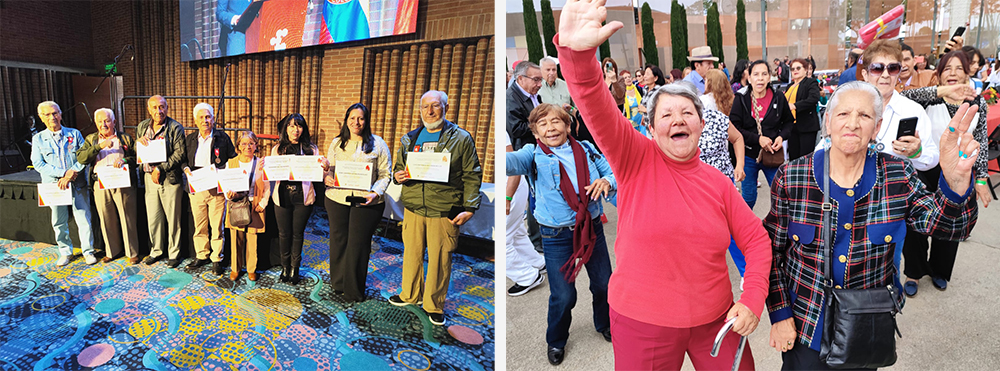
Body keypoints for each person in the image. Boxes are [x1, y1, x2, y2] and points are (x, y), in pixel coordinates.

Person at [554, 2, 774, 369]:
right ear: (652, 130)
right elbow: (594, 102)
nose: (678, 119)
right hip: (643, 323)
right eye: (667, 114)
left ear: (702, 126)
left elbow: (755, 240)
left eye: (687, 112)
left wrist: (752, 297)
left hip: (717, 319)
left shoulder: (717, 182)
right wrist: (578, 55)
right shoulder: (634, 157)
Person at [764, 81, 980, 369]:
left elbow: (949, 227)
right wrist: (780, 314)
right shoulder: (792, 177)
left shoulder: (898, 174)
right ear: (827, 122)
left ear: (876, 127)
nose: (852, 124)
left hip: (866, 327)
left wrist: (955, 183)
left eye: (864, 116)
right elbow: (772, 253)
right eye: (843, 115)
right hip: (806, 325)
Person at [507, 102, 616, 365]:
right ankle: (556, 340)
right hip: (555, 234)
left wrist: (606, 182)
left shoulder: (587, 150)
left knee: (604, 284)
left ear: (568, 125)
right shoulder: (532, 155)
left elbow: (612, 173)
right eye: (542, 124)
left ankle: (605, 323)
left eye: (556, 121)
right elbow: (508, 162)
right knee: (564, 295)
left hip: (591, 227)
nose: (550, 128)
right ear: (535, 132)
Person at [897, 50, 990, 296]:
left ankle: (940, 270)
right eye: (947, 68)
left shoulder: (978, 103)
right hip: (925, 168)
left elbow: (981, 142)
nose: (953, 73)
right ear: (938, 74)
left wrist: (981, 178)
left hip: (958, 172)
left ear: (969, 71)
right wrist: (942, 92)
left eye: (959, 68)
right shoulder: (929, 98)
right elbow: (905, 94)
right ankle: (914, 272)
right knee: (916, 225)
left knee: (950, 222)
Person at [388, 90, 482, 327]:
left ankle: (433, 304)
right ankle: (409, 295)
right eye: (425, 107)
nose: (430, 112)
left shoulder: (460, 138)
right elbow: (399, 168)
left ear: (446, 108)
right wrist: (397, 176)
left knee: (440, 258)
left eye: (435, 106)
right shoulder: (409, 138)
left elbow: (472, 174)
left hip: (443, 208)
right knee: (411, 253)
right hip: (413, 207)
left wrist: (470, 206)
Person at [323, 103, 392, 302]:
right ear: (346, 120)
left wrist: (375, 192)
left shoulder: (378, 144)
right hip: (337, 199)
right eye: (352, 118)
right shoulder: (337, 143)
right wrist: (327, 176)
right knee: (338, 242)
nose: (356, 122)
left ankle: (353, 289)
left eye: (360, 118)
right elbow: (329, 170)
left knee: (358, 245)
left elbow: (386, 174)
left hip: (366, 202)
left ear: (366, 120)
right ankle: (338, 283)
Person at [32, 101, 95, 266]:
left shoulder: (74, 134)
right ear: (41, 118)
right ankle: (65, 252)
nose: (52, 117)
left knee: (84, 219)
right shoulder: (38, 139)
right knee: (59, 221)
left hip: (77, 183)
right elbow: (39, 164)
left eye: (55, 113)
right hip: (54, 187)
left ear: (60, 114)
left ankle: (88, 251)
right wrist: (62, 174)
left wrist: (71, 173)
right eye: (47, 114)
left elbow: (84, 157)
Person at [76, 108, 139, 265]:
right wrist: (100, 146)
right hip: (100, 184)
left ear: (114, 122)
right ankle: (112, 251)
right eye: (100, 121)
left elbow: (137, 157)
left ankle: (132, 252)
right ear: (96, 123)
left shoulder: (124, 138)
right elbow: (82, 158)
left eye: (107, 120)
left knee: (127, 218)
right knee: (106, 218)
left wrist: (125, 161)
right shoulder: (91, 139)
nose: (104, 124)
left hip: (123, 183)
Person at [731, 60, 795, 209]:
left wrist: (781, 137)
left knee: (781, 195)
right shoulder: (741, 98)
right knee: (749, 197)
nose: (760, 78)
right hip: (748, 154)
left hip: (772, 154)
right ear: (749, 77)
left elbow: (788, 122)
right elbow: (735, 127)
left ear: (769, 77)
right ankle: (743, 230)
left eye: (764, 74)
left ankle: (779, 228)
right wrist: (757, 138)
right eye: (756, 74)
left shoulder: (778, 97)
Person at [182, 103, 237, 276]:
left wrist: (225, 174)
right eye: (201, 117)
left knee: (217, 226)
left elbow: (233, 159)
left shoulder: (223, 137)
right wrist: (185, 169)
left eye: (208, 117)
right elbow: (183, 160)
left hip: (216, 189)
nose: (205, 120)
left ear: (213, 119)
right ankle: (201, 255)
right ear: (195, 120)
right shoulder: (190, 139)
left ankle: (216, 258)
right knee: (200, 225)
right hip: (196, 188)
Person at [270, 113, 322, 284]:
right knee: (284, 233)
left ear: (303, 129)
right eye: (291, 125)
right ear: (286, 128)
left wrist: (324, 168)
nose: (295, 129)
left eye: (298, 125)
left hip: (303, 197)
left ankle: (295, 268)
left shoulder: (311, 149)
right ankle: (285, 267)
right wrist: (266, 168)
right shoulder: (277, 149)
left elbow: (317, 174)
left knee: (298, 234)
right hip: (283, 196)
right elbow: (272, 173)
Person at [137, 95, 187, 268]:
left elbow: (180, 154)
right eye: (155, 108)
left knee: (173, 219)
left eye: (162, 107)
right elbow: (140, 153)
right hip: (149, 180)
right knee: (154, 218)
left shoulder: (175, 127)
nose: (159, 111)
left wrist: (161, 168)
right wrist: (139, 144)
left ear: (167, 108)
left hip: (170, 179)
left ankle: (174, 253)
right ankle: (156, 251)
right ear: (149, 110)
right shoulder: (142, 126)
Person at [505, 131, 546, 297]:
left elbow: (513, 165)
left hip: (510, 187)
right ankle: (537, 263)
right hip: (515, 186)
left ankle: (527, 277)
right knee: (517, 233)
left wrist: (507, 197)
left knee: (503, 241)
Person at [224, 130, 269, 281]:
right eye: (244, 143)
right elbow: (225, 184)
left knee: (252, 238)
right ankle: (236, 268)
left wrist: (263, 202)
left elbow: (268, 185)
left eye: (251, 143)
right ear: (238, 146)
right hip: (237, 203)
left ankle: (251, 269)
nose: (247, 146)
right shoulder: (231, 163)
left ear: (256, 145)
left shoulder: (261, 163)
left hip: (254, 203)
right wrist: (228, 194)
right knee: (236, 237)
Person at [785, 58, 822, 161]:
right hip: (792, 127)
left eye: (798, 68)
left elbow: (814, 98)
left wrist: (795, 105)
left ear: (805, 70)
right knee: (793, 158)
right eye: (792, 69)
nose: (795, 71)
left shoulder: (810, 82)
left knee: (805, 159)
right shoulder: (789, 86)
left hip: (806, 126)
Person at [507, 61, 544, 150]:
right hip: (525, 151)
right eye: (535, 79)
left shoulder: (534, 94)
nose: (540, 84)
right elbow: (515, 129)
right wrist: (542, 123)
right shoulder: (509, 99)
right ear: (520, 79)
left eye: (541, 79)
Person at [623, 70, 645, 134]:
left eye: (629, 77)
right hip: (631, 123)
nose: (628, 79)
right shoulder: (622, 93)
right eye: (625, 78)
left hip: (642, 121)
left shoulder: (639, 89)